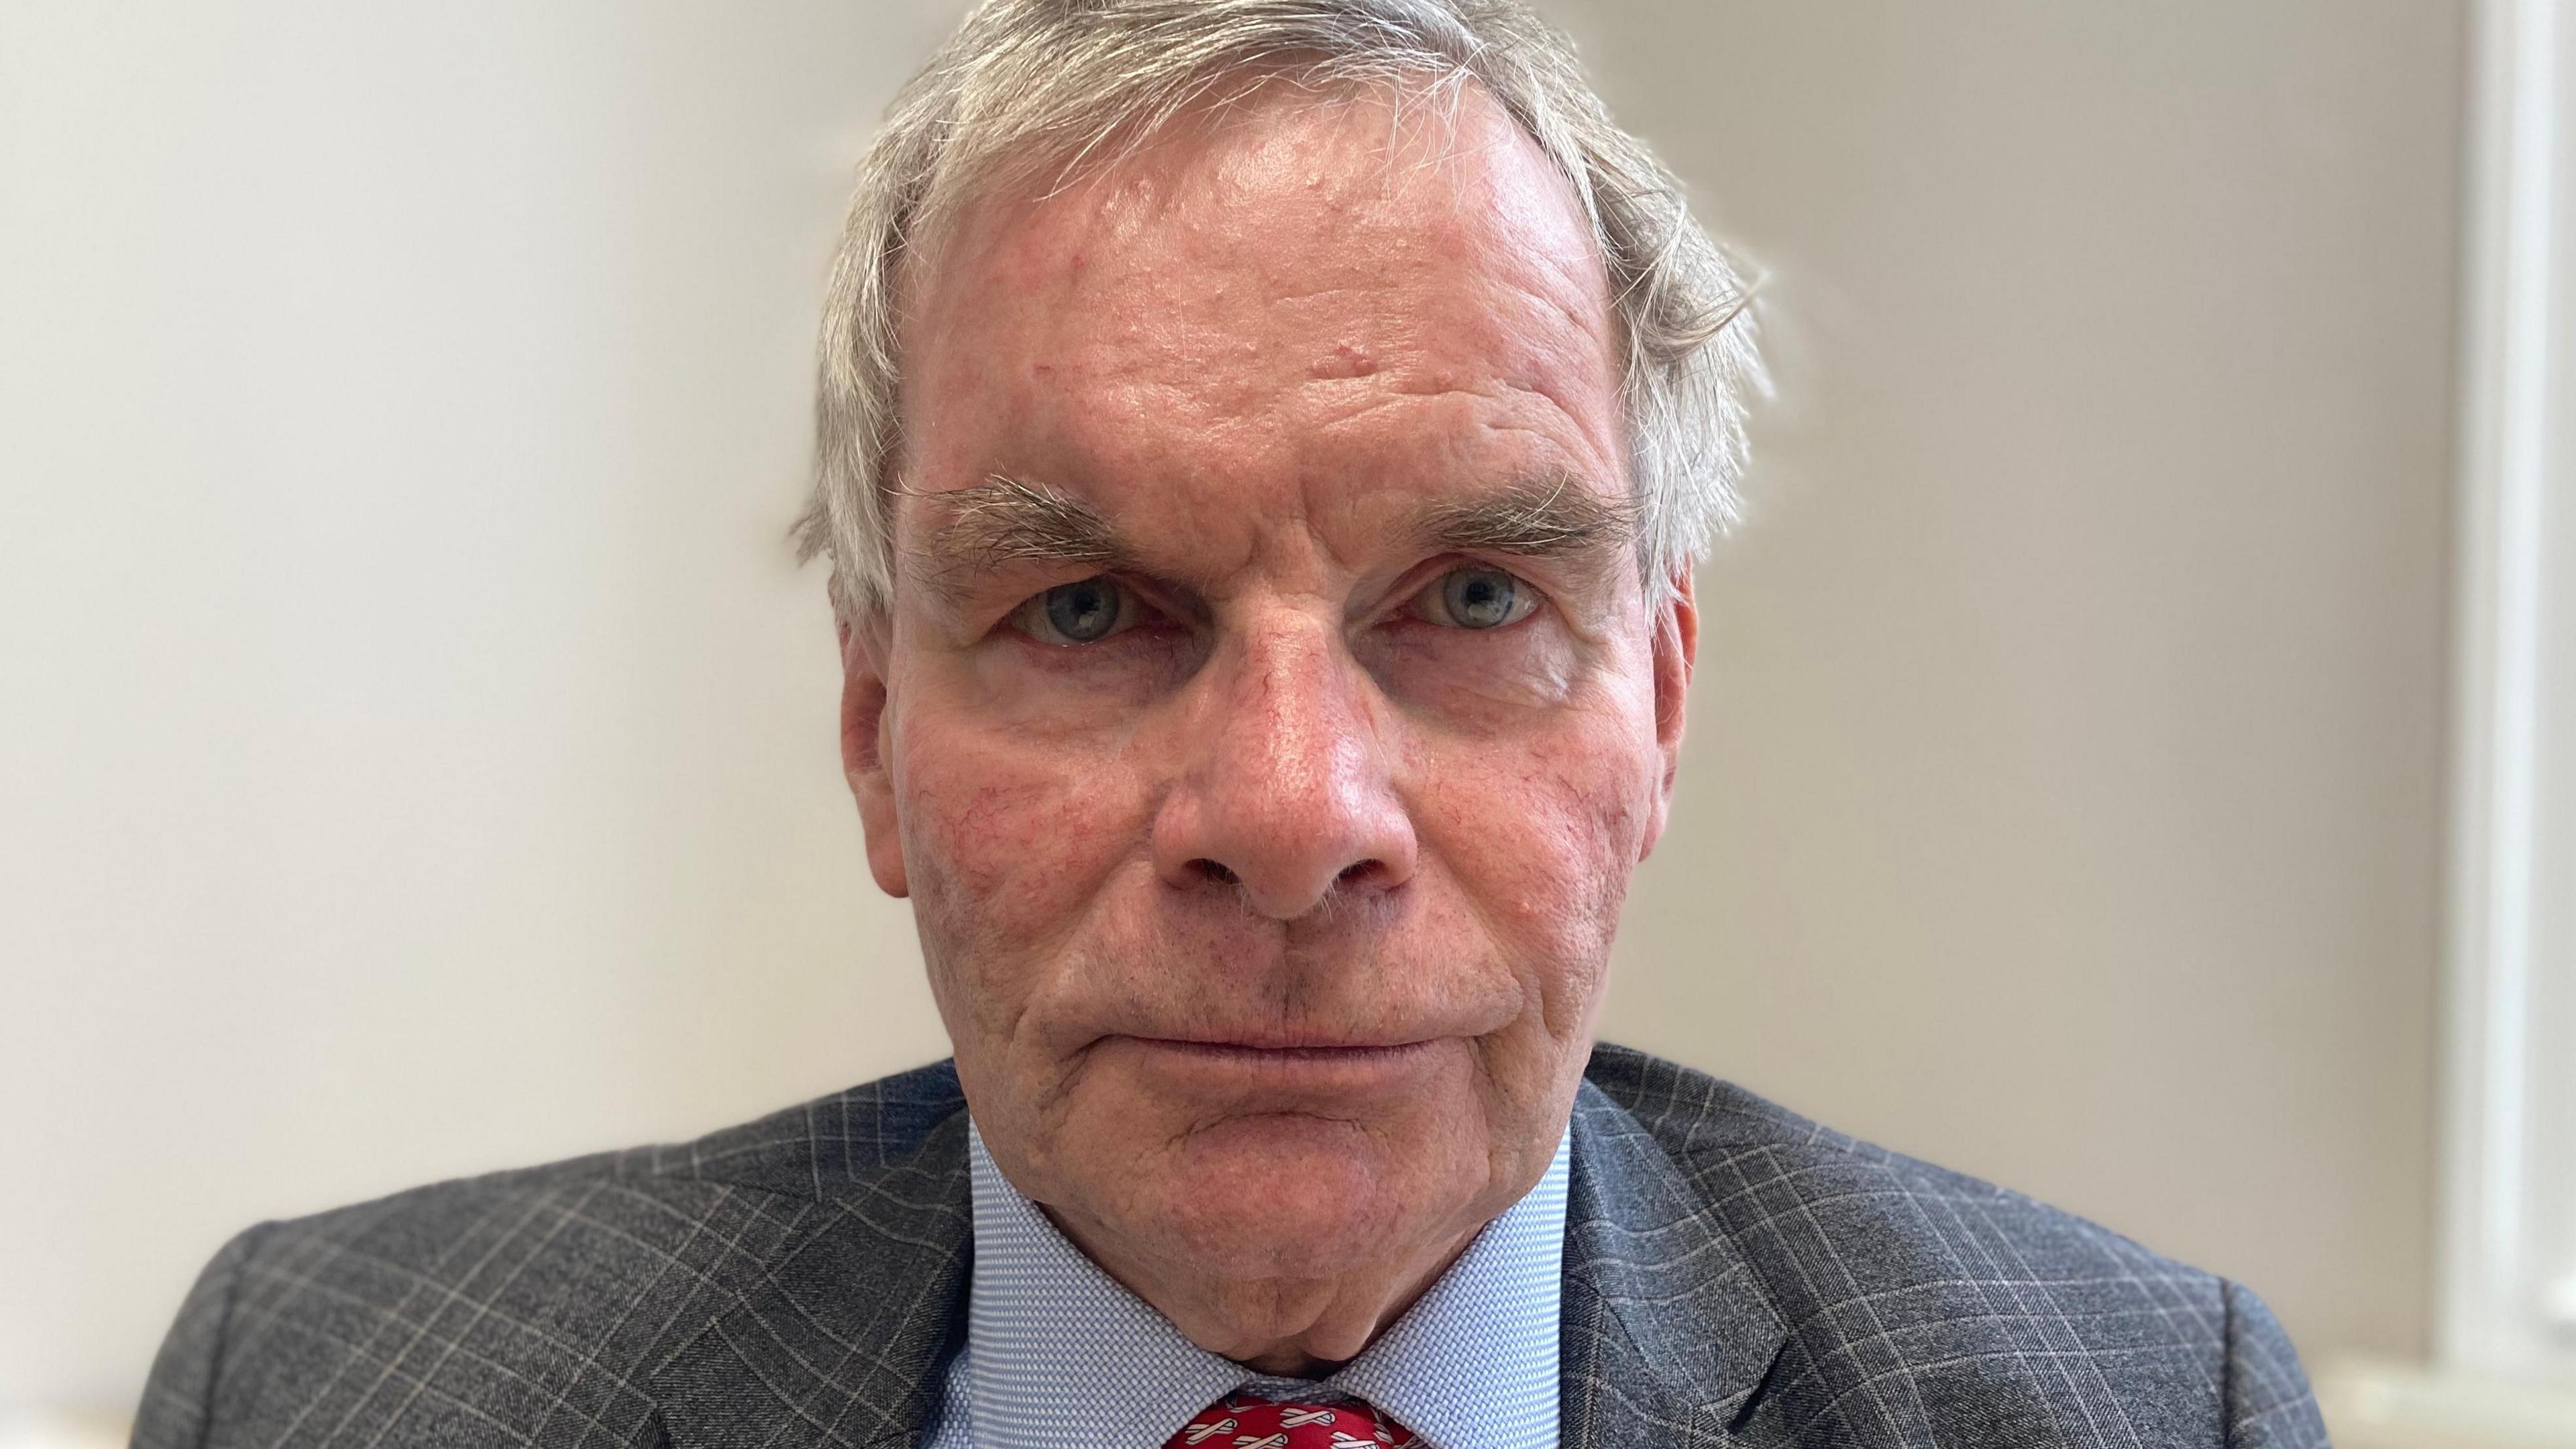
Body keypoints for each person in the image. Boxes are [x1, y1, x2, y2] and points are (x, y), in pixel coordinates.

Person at [133, 2, 2330, 1446]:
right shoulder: (341, 1390)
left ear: (1656, 706)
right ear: (876, 721)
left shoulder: (2144, 1410)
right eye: (1089, 607)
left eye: (1472, 597)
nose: (1294, 817)